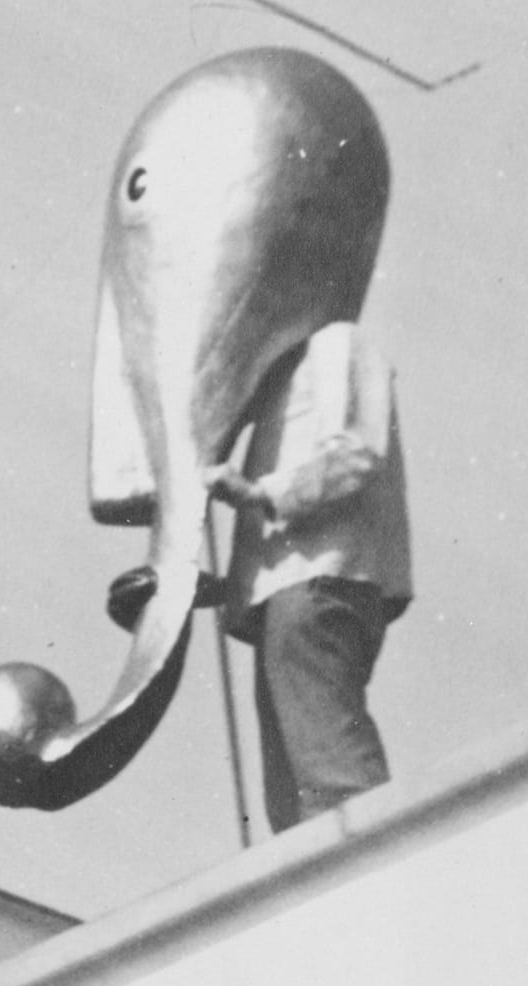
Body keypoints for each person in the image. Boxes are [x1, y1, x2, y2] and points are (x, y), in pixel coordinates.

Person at [108, 321, 412, 834]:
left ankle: (376, 883)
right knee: (295, 801)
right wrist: (219, 588)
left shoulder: (338, 342)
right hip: (291, 598)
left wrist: (258, 495)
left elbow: (354, 454)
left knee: (332, 780)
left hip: (316, 590)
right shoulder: (283, 377)